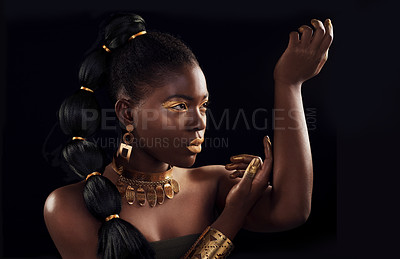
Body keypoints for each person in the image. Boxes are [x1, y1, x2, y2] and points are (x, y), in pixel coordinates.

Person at [43, 12, 333, 259]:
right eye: (180, 106)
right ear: (127, 114)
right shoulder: (70, 206)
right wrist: (233, 214)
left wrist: (289, 84)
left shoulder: (213, 183)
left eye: (203, 105)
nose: (199, 122)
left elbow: (292, 210)